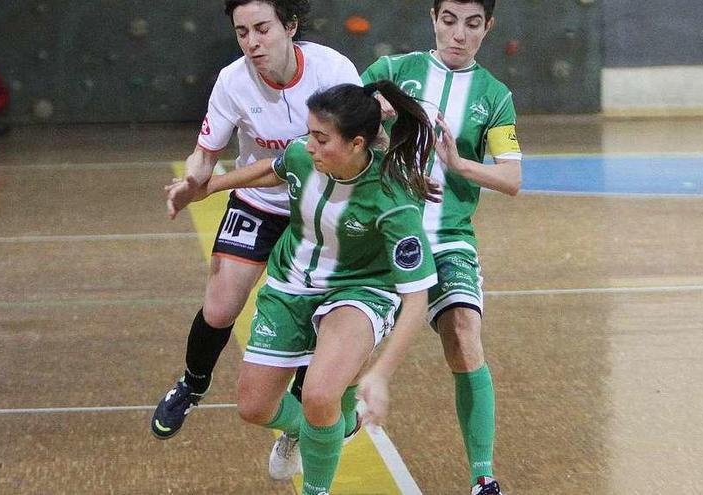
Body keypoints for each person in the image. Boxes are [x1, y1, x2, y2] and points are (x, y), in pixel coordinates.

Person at [169, 81, 437, 495]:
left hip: (360, 290)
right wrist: (204, 190)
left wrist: (381, 375)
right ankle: (317, 429)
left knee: (318, 396)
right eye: (309, 133)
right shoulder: (303, 155)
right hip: (290, 282)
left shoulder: (392, 199)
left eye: (321, 138)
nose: (308, 145)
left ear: (356, 144)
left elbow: (417, 300)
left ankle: (318, 480)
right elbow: (272, 168)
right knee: (254, 407)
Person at [151, 0, 361, 442]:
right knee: (221, 304)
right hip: (258, 201)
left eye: (262, 29)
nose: (252, 42)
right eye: (242, 32)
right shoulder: (232, 81)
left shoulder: (333, 69)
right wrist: (193, 180)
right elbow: (206, 152)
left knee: (321, 310)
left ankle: (310, 403)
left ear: (290, 26)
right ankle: (193, 383)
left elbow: (364, 142)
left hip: (320, 208)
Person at [361, 1, 522, 494]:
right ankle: (305, 425)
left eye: (473, 24)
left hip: (449, 238)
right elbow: (334, 137)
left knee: (464, 334)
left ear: (487, 27)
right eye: (449, 20)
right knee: (337, 352)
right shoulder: (391, 73)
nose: (459, 34)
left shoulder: (494, 95)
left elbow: (512, 179)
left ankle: (484, 477)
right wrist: (376, 123)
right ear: (433, 17)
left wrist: (460, 165)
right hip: (380, 236)